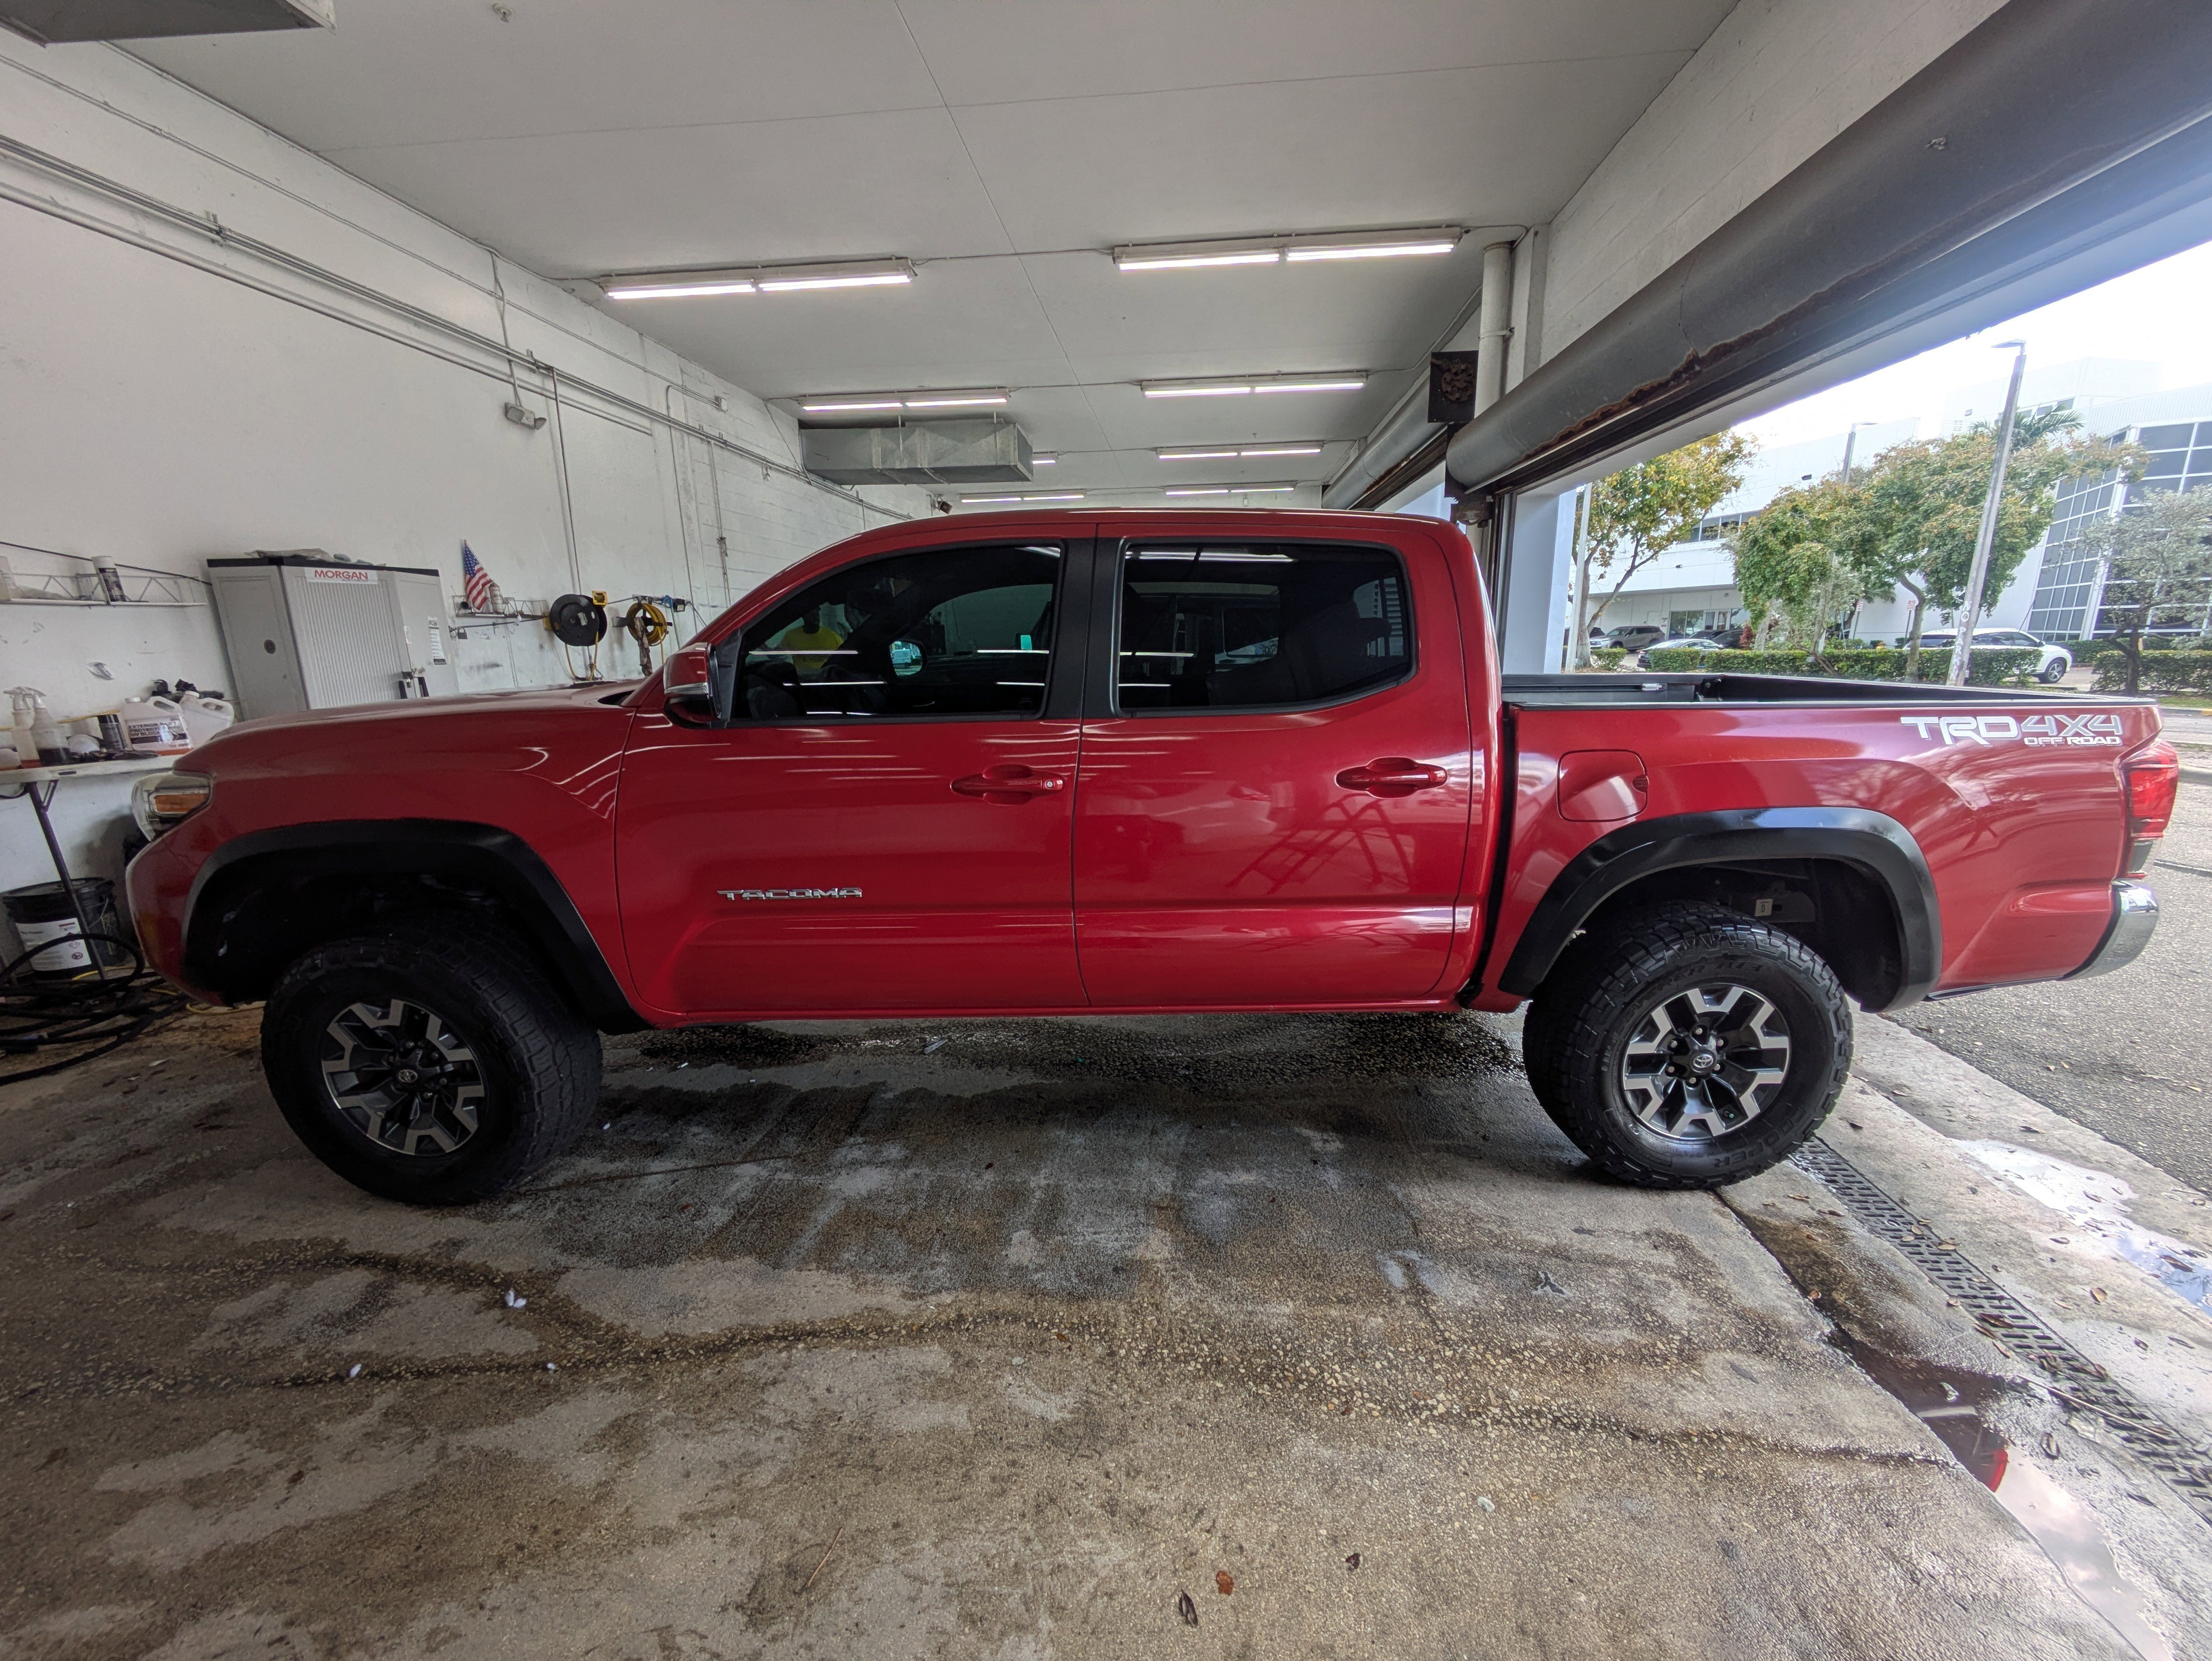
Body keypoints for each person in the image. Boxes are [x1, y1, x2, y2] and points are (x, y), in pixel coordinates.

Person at [769, 608, 845, 677]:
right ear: (804, 617)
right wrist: (764, 648)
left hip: (825, 680)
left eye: (817, 615)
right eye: (812, 615)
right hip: (803, 681)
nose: (816, 618)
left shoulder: (833, 636)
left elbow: (844, 658)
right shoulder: (792, 636)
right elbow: (778, 656)